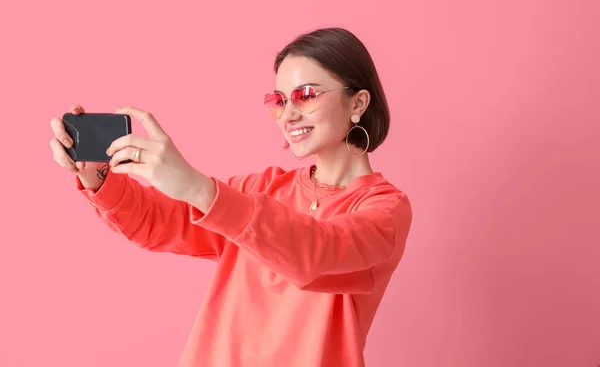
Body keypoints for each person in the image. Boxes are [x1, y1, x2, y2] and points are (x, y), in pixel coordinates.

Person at [49, 27, 413, 367]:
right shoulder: (261, 189)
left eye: (306, 95)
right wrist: (97, 176)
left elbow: (315, 255)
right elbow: (161, 222)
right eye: (278, 100)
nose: (288, 114)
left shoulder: (385, 210)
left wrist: (197, 187)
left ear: (357, 103)